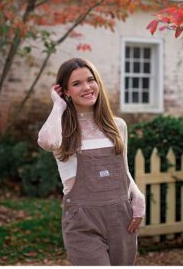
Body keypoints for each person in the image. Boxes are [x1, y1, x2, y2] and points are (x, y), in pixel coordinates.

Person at [38, 58, 146, 265]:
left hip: (121, 217)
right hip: (82, 221)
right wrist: (58, 105)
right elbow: (47, 142)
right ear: (65, 91)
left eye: (90, 80)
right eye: (76, 84)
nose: (87, 87)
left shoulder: (118, 126)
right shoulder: (61, 129)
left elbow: (124, 170)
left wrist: (137, 195)